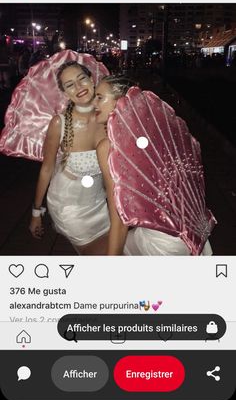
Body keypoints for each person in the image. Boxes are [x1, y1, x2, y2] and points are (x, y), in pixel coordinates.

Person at [94, 76, 216, 256]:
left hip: (161, 242)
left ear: (119, 102)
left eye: (99, 97)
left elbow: (119, 219)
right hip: (194, 231)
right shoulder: (155, 134)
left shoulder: (109, 147)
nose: (93, 103)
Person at [29, 61, 110, 254]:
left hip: (101, 203)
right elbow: (47, 169)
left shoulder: (110, 117)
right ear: (65, 93)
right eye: (70, 84)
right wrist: (36, 212)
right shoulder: (60, 123)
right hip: (69, 207)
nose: (79, 87)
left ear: (92, 80)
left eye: (82, 79)